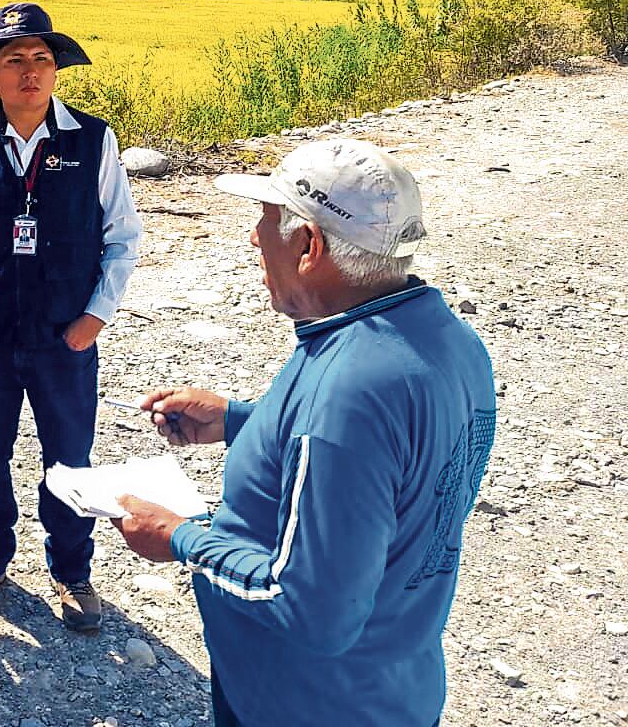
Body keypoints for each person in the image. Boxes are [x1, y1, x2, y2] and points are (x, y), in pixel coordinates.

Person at [112, 139, 497, 727]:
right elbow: (396, 470)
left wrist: (179, 537)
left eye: (266, 221)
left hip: (304, 702)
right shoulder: (449, 341)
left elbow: (313, 611)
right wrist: (242, 421)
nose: (253, 239)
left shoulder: (346, 391)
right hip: (392, 684)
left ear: (310, 245)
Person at [0, 2, 142, 631]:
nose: (30, 72)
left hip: (61, 337)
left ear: (56, 70)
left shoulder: (92, 140)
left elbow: (123, 236)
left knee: (70, 459)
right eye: (14, 60)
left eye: (41, 60)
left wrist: (95, 316)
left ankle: (73, 573)